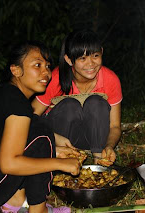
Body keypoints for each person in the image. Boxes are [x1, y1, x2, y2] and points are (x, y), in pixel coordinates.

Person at [0, 41, 81, 213]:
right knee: (42, 134)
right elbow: (9, 164)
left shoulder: (7, 95)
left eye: (47, 66)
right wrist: (60, 163)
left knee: (39, 129)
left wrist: (56, 148)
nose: (46, 73)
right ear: (16, 70)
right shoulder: (17, 104)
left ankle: (15, 203)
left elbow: (12, 140)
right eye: (37, 65)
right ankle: (39, 210)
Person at [31, 29, 122, 167]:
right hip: (59, 138)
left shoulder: (111, 79)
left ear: (102, 52)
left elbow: (115, 126)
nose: (90, 64)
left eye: (95, 56)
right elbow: (30, 118)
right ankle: (62, 161)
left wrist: (109, 146)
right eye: (82, 58)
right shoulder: (55, 78)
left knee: (96, 103)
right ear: (69, 60)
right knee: (70, 106)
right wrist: (54, 138)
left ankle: (99, 160)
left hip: (91, 140)